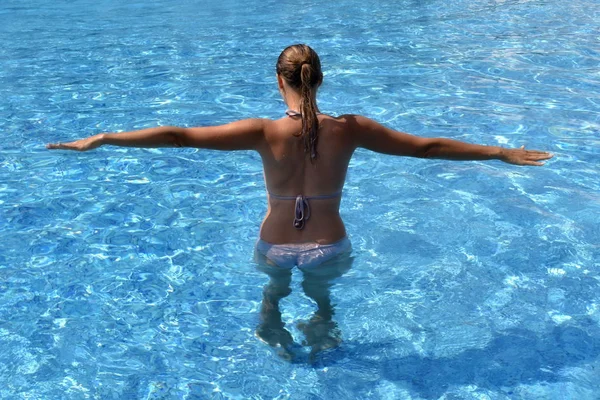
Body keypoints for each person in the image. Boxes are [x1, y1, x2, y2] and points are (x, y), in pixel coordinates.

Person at [47, 44, 553, 360]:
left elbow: (179, 135)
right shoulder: (351, 129)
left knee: (274, 288)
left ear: (279, 79)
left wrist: (106, 137)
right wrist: (500, 152)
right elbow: (427, 147)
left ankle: (270, 319)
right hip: (329, 245)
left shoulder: (262, 131)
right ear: (321, 79)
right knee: (322, 296)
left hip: (274, 244)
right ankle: (322, 325)